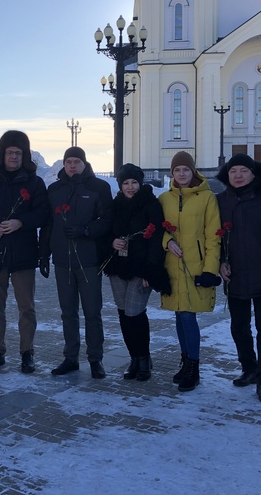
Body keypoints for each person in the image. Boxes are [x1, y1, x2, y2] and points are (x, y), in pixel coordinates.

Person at [0, 130, 49, 374]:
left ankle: (27, 353)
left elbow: (43, 214)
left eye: (18, 152)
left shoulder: (34, 182)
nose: (13, 156)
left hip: (23, 255)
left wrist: (20, 222)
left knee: (27, 308)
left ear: (24, 155)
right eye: (9, 152)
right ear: (2, 154)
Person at [216, 154, 261, 404]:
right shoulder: (221, 200)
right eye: (233, 170)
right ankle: (249, 368)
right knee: (239, 327)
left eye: (243, 170)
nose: (237, 175)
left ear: (253, 173)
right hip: (235, 276)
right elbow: (214, 237)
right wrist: (220, 263)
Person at [39, 147, 113, 379]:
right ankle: (70, 357)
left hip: (89, 260)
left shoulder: (98, 188)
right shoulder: (54, 190)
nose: (72, 166)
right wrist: (43, 254)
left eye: (76, 161)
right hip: (62, 261)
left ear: (84, 163)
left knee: (92, 312)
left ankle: (95, 359)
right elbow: (48, 225)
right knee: (68, 312)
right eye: (68, 161)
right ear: (63, 164)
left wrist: (86, 230)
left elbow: (108, 221)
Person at [159, 151, 221, 392]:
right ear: (172, 173)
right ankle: (185, 362)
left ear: (193, 171)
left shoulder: (207, 198)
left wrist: (209, 270)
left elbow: (213, 237)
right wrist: (167, 241)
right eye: (177, 170)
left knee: (187, 316)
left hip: (195, 266)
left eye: (186, 169)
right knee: (178, 314)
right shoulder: (164, 198)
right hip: (172, 265)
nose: (182, 174)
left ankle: (193, 367)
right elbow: (156, 228)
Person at [102, 163, 170, 381]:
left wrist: (151, 270)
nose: (130, 187)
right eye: (125, 183)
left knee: (135, 312)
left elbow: (157, 237)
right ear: (120, 185)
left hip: (141, 268)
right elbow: (105, 231)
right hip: (119, 267)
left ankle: (144, 358)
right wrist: (111, 242)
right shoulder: (115, 205)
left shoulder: (150, 204)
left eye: (134, 182)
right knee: (123, 312)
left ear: (140, 183)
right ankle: (134, 358)